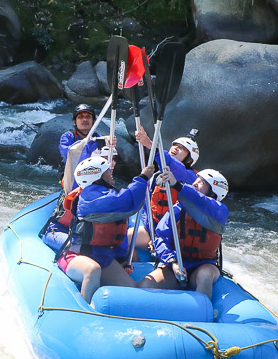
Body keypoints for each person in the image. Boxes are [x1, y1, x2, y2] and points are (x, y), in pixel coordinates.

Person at [57, 153, 155, 303]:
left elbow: (117, 235)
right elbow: (124, 201)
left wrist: (122, 260)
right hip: (76, 256)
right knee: (92, 270)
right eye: (108, 171)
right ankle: (85, 310)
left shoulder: (107, 194)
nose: (112, 173)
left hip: (103, 256)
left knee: (131, 291)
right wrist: (142, 179)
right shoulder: (89, 198)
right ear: (97, 177)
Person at [137, 169, 229, 299]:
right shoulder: (177, 210)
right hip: (177, 264)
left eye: (202, 182)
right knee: (145, 286)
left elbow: (204, 203)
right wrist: (173, 262)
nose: (195, 184)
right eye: (196, 180)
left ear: (214, 191)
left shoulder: (219, 212)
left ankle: (202, 314)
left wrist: (179, 186)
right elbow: (161, 238)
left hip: (203, 264)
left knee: (205, 276)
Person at [129, 127, 200, 251]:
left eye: (182, 148)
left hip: (176, 234)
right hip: (153, 229)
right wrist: (154, 233)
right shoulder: (155, 177)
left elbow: (175, 168)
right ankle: (129, 266)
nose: (175, 148)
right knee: (121, 239)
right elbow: (147, 207)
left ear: (189, 159)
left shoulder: (192, 178)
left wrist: (151, 145)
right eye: (175, 145)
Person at [41, 145, 118, 251]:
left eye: (113, 159)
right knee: (86, 249)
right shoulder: (77, 183)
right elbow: (75, 157)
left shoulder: (109, 189)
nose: (111, 163)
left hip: (83, 235)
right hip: (59, 231)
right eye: (105, 159)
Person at [59, 104, 116, 194]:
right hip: (72, 183)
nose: (85, 119)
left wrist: (110, 148)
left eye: (88, 117)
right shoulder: (67, 137)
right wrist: (96, 141)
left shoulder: (100, 139)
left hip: (93, 182)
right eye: (81, 117)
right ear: (74, 121)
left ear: (94, 121)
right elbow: (71, 152)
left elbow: (108, 163)